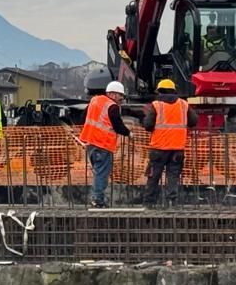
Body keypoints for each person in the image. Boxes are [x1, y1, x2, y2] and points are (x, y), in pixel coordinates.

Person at [142, 78, 198, 207]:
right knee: (173, 176)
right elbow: (193, 121)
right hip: (177, 149)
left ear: (159, 91)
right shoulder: (183, 104)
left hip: (158, 148)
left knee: (153, 176)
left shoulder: (156, 105)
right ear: (174, 91)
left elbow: (148, 125)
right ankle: (172, 201)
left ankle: (149, 203)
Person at [79, 80, 131, 207]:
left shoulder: (94, 101)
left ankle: (97, 198)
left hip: (91, 143)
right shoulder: (112, 106)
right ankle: (97, 200)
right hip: (103, 144)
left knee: (98, 172)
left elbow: (83, 118)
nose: (121, 99)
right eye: (120, 95)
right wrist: (129, 133)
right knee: (102, 173)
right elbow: (118, 125)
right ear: (113, 94)